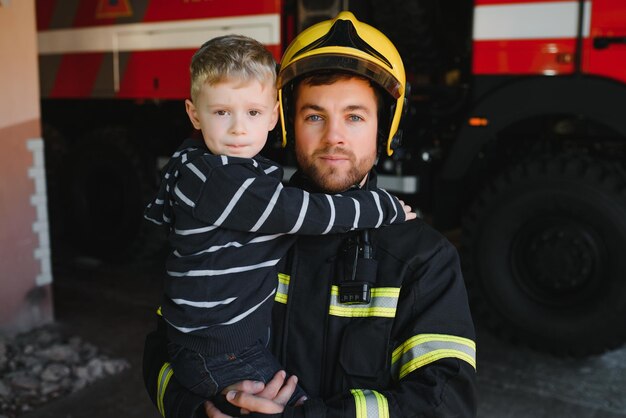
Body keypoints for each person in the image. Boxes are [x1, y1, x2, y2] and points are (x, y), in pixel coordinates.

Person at [142, 12, 477, 417]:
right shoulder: (233, 223)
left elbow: (446, 404)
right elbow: (166, 347)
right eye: (314, 116)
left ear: (384, 128)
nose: (333, 135)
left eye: (354, 116)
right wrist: (200, 410)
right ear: (284, 123)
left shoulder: (425, 260)